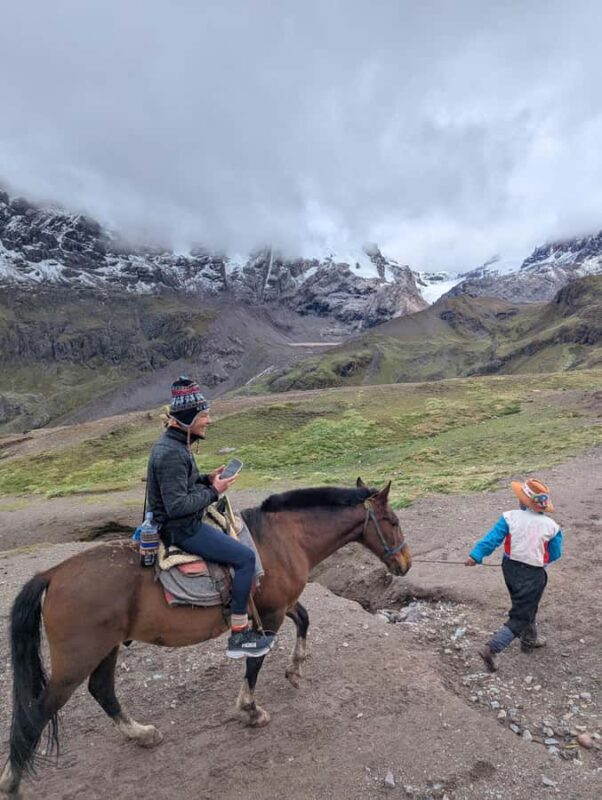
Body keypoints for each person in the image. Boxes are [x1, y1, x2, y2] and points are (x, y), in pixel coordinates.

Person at [146, 376, 274, 659]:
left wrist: (206, 479)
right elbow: (177, 505)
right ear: (189, 418)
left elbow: (181, 484)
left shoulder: (176, 444)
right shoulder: (171, 453)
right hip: (181, 528)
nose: (209, 421)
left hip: (180, 521)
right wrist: (215, 491)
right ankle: (239, 634)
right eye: (204, 415)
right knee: (245, 558)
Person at [465, 478, 563, 672]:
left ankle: (529, 638)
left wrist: (475, 556)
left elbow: (492, 539)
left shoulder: (509, 517)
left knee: (525, 604)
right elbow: (555, 553)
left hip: (509, 568)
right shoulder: (552, 527)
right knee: (522, 613)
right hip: (533, 574)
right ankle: (492, 649)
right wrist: (539, 560)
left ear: (522, 501)